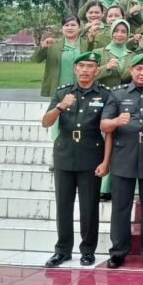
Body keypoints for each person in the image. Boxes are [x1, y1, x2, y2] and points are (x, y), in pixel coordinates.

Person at [100, 53, 143, 269]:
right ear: (132, 71)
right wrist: (115, 121)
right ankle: (118, 251)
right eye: (139, 69)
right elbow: (104, 125)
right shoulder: (118, 94)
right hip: (124, 157)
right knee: (121, 207)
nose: (142, 73)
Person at [41, 52, 111, 268]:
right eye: (81, 65)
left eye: (90, 66)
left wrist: (106, 161)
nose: (85, 70)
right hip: (64, 153)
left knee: (89, 205)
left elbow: (108, 130)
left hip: (91, 154)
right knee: (63, 205)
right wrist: (60, 106)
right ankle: (62, 250)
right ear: (75, 69)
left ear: (96, 70)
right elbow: (46, 122)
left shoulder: (105, 95)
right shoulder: (63, 92)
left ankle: (87, 250)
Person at [33, 15, 87, 98]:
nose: (70, 28)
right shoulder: (53, 44)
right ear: (62, 28)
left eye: (73, 25)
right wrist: (43, 47)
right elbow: (36, 59)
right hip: (59, 90)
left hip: (83, 90)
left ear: (79, 28)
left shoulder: (86, 44)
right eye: (66, 25)